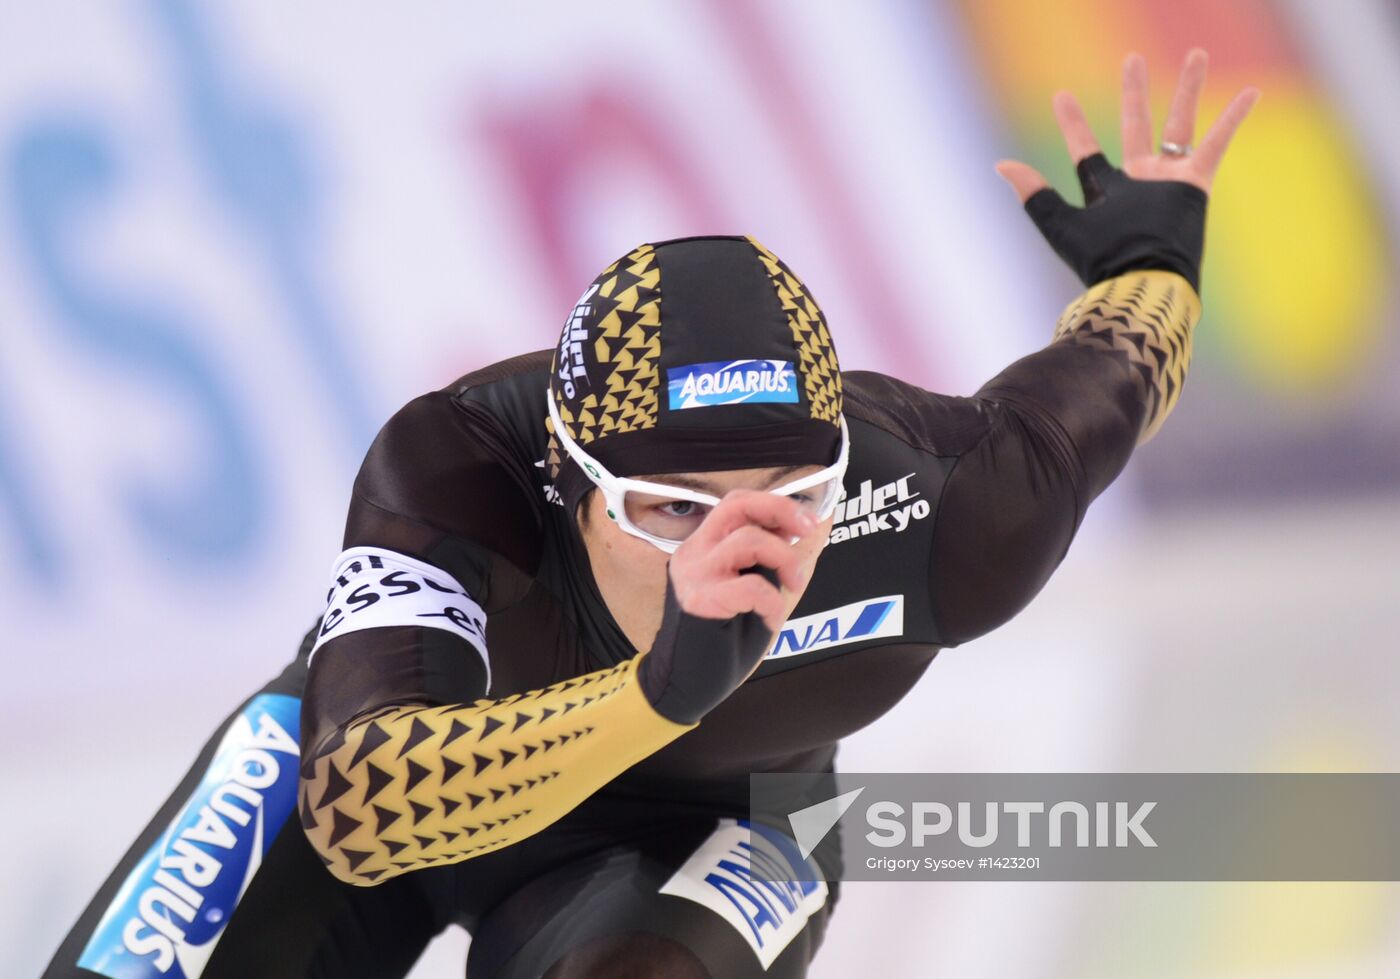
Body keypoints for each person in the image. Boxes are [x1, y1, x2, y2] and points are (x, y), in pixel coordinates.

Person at [48, 51, 1257, 979]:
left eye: (792, 497)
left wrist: (1146, 256)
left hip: (723, 824)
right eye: (668, 507)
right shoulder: (456, 464)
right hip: (417, 765)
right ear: (564, 477)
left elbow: (1109, 378)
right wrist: (658, 691)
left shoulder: (943, 503)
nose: (737, 552)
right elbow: (361, 811)